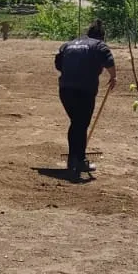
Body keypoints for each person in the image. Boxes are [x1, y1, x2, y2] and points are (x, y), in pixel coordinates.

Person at [54, 21, 117, 175]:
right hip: (85, 89)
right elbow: (109, 61)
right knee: (81, 124)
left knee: (76, 122)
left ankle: (73, 159)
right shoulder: (99, 45)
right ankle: (80, 160)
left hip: (65, 89)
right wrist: (113, 77)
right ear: (102, 36)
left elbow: (58, 64)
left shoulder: (68, 44)